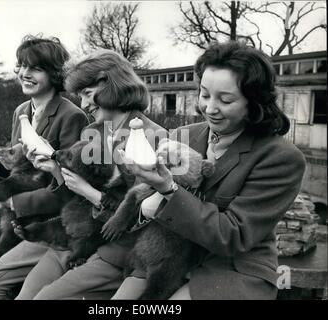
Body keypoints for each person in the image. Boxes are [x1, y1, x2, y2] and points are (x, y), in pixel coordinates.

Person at [112, 41, 306, 300]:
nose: (210, 108)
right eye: (204, 94)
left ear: (254, 102)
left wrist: (168, 189)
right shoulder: (185, 135)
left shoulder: (281, 157)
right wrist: (133, 177)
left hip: (233, 268)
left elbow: (233, 235)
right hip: (173, 255)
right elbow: (145, 203)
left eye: (225, 100)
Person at [15, 49, 167, 300]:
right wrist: (54, 169)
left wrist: (90, 192)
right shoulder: (94, 130)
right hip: (79, 239)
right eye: (80, 96)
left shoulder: (154, 137)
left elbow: (142, 219)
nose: (84, 105)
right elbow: (72, 195)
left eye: (87, 94)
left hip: (118, 252)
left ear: (114, 86)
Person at [0, 35, 89, 300]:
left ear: (54, 73)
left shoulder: (72, 116)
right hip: (16, 219)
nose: (25, 73)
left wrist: (17, 204)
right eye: (22, 65)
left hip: (50, 223)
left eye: (35, 68)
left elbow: (71, 188)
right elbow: (18, 175)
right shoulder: (21, 111)